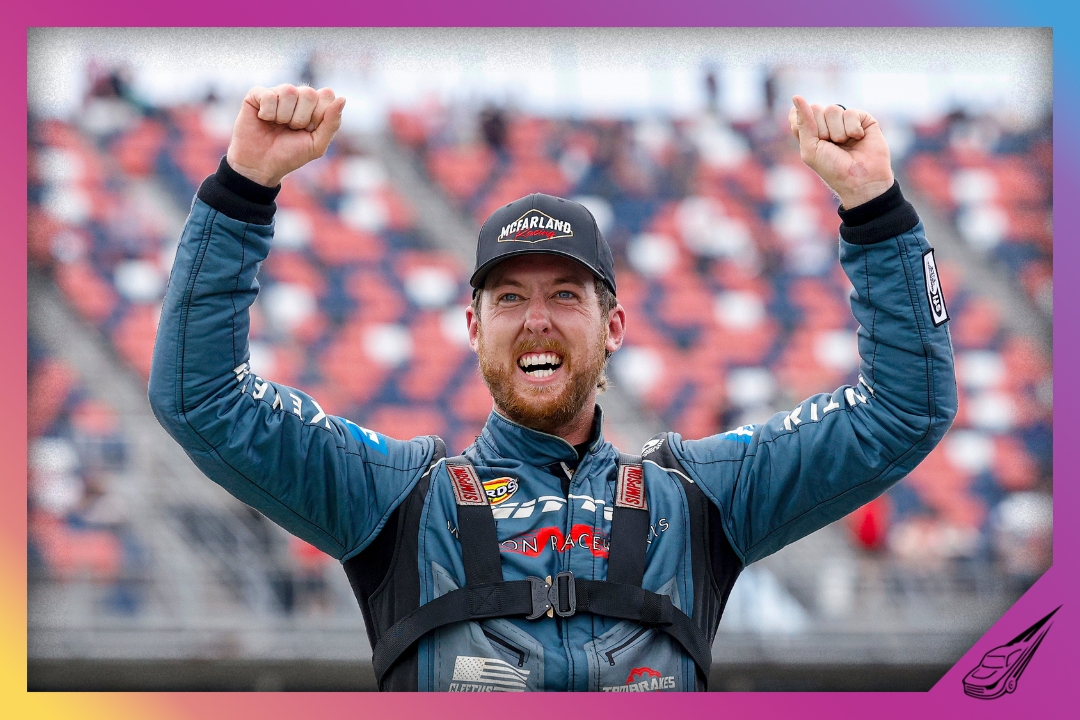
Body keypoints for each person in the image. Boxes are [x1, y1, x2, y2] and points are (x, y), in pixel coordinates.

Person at [148, 84, 956, 692]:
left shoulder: (700, 497)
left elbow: (905, 408)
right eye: (509, 298)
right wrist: (243, 188)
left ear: (614, 326)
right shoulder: (392, 498)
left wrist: (874, 209)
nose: (536, 319)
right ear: (472, 326)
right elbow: (200, 396)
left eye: (565, 295)